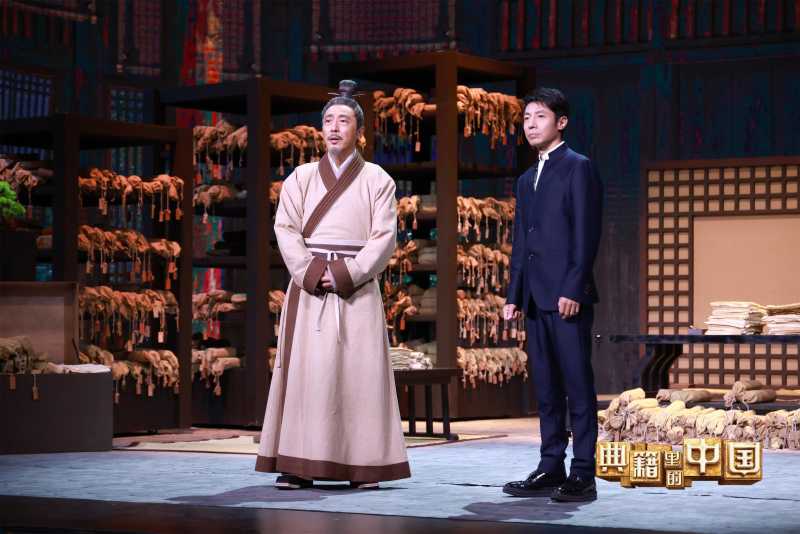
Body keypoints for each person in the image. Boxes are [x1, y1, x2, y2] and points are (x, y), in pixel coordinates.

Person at [255, 80, 410, 490]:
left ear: (360, 131)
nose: (335, 128)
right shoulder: (301, 177)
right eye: (328, 121)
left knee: (359, 376)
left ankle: (363, 466)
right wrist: (310, 271)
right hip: (309, 287)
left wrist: (345, 273)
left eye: (344, 121)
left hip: (355, 288)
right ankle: (298, 464)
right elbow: (285, 228)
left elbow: (384, 237)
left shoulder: (377, 179)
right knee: (308, 374)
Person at [502, 87, 603, 502]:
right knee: (545, 388)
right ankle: (550, 465)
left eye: (540, 117)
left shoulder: (578, 167)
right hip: (534, 298)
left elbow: (586, 233)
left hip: (566, 297)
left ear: (561, 122)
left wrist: (573, 288)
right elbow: (522, 241)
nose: (531, 125)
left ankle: (583, 472)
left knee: (576, 386)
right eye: (526, 118)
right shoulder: (526, 179)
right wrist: (513, 294)